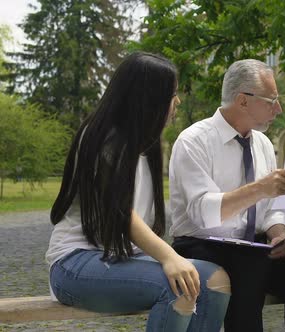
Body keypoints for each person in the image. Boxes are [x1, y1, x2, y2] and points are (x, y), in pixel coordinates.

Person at [46, 52, 230, 332]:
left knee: (215, 281)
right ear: (148, 98)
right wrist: (169, 257)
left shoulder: (145, 144)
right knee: (179, 289)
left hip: (122, 258)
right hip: (75, 262)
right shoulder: (101, 138)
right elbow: (121, 214)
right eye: (172, 94)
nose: (177, 102)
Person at [169, 59, 285, 332]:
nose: (278, 108)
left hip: (251, 248)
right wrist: (260, 188)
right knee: (249, 267)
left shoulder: (263, 143)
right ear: (243, 101)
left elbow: (272, 207)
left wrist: (278, 232)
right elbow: (202, 212)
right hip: (200, 246)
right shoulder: (193, 141)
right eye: (271, 100)